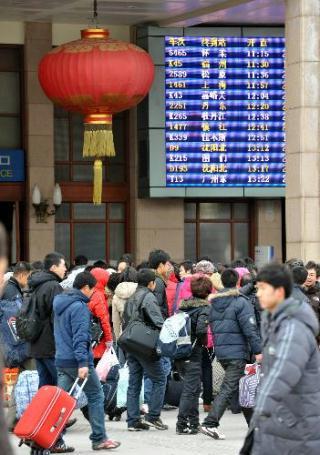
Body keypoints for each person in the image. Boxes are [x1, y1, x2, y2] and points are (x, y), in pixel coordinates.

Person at [244, 263, 320, 455]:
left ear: (279, 292)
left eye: (263, 289)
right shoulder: (276, 321)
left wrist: (261, 409)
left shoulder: (292, 326)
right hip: (283, 421)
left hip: (294, 425)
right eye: (257, 288)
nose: (258, 294)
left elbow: (283, 373)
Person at [54, 272, 120, 451]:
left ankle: (53, 438)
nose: (93, 294)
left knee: (60, 401)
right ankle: (99, 438)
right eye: (93, 290)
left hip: (62, 359)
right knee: (96, 395)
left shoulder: (60, 303)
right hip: (78, 361)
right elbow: (81, 338)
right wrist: (83, 363)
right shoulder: (79, 307)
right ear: (85, 288)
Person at [201, 268, 262, 440]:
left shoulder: (214, 302)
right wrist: (258, 351)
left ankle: (255, 427)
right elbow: (250, 329)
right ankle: (210, 423)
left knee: (243, 387)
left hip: (222, 352)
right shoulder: (240, 302)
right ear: (236, 281)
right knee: (229, 388)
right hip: (238, 352)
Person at [122, 268, 168, 431]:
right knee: (160, 378)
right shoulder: (149, 297)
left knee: (134, 382)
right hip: (144, 345)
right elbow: (158, 321)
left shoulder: (131, 296)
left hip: (130, 343)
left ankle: (133, 420)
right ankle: (153, 416)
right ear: (151, 283)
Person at [176, 275, 210, 435]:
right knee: (190, 390)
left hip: (180, 351)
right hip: (193, 352)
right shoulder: (204, 308)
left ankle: (194, 423)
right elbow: (202, 330)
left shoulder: (183, 307)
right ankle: (182, 424)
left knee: (195, 388)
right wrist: (203, 341)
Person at [29, 252, 66, 388]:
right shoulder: (53, 286)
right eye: (63, 265)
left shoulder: (37, 284)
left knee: (45, 386)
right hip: (50, 345)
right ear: (53, 267)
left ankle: (43, 410)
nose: (65, 269)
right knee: (61, 384)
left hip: (37, 342)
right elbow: (57, 318)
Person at [89, 268, 113, 365]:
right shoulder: (99, 296)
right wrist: (109, 339)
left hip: (89, 338)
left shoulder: (88, 292)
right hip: (99, 340)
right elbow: (104, 319)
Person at [303, 261, 320, 325]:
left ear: (317, 277)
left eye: (311, 275)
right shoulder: (298, 292)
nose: (308, 277)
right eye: (306, 274)